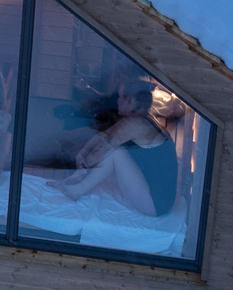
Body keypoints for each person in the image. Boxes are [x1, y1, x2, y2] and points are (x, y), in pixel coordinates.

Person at [46, 89, 183, 215]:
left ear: (131, 101)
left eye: (121, 97)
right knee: (113, 152)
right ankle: (77, 186)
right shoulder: (141, 118)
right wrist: (82, 153)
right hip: (154, 196)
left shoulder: (137, 124)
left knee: (116, 153)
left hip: (156, 204)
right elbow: (103, 136)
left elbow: (101, 151)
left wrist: (79, 172)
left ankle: (77, 190)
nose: (117, 101)